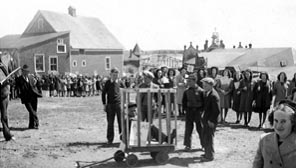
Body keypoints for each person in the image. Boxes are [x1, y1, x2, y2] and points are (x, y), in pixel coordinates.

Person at [252, 99, 296, 168]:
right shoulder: (264, 140)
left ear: (293, 122)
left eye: (283, 121)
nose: (278, 126)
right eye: (276, 121)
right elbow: (256, 165)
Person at [101, 67, 125, 144]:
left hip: (119, 104)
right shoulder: (108, 83)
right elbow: (103, 93)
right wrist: (104, 104)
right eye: (113, 75)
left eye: (116, 75)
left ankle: (123, 138)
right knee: (110, 123)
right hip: (110, 105)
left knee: (121, 122)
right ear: (110, 75)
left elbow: (125, 92)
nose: (115, 76)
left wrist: (124, 103)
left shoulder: (121, 82)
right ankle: (110, 139)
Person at [16, 64, 42, 129]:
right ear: (23, 71)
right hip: (26, 98)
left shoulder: (31, 77)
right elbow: (17, 88)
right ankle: (37, 121)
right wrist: (19, 95)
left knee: (34, 110)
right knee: (31, 111)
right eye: (26, 71)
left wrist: (37, 81)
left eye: (28, 71)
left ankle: (32, 125)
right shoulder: (19, 79)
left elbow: (36, 84)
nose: (27, 72)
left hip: (33, 96)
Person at [200, 77, 220, 162]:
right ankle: (207, 153)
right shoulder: (208, 93)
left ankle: (209, 156)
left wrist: (211, 121)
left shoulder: (213, 95)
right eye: (203, 84)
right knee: (206, 136)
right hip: (207, 119)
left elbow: (217, 111)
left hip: (210, 121)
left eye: (205, 84)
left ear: (211, 85)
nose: (203, 86)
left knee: (209, 138)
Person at [182, 74, 204, 151]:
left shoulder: (201, 91)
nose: (188, 82)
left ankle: (204, 145)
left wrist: (201, 111)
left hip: (198, 111)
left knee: (200, 128)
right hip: (189, 111)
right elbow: (184, 102)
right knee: (188, 129)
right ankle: (187, 145)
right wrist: (185, 110)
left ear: (195, 81)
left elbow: (204, 102)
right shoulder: (186, 91)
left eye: (190, 81)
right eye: (187, 81)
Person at [0, 52, 14, 141]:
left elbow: (9, 78)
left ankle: (7, 134)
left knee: (4, 116)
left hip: (3, 93)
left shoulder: (2, 66)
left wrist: (8, 81)